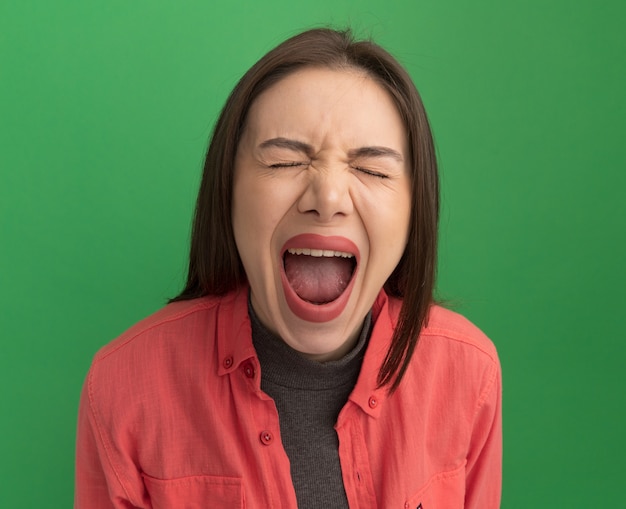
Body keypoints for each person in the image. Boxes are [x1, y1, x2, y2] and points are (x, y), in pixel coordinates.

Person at [75, 28, 502, 508]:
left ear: (413, 213)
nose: (328, 199)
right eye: (283, 162)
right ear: (228, 192)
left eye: (373, 170)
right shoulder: (123, 385)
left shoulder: (470, 372)